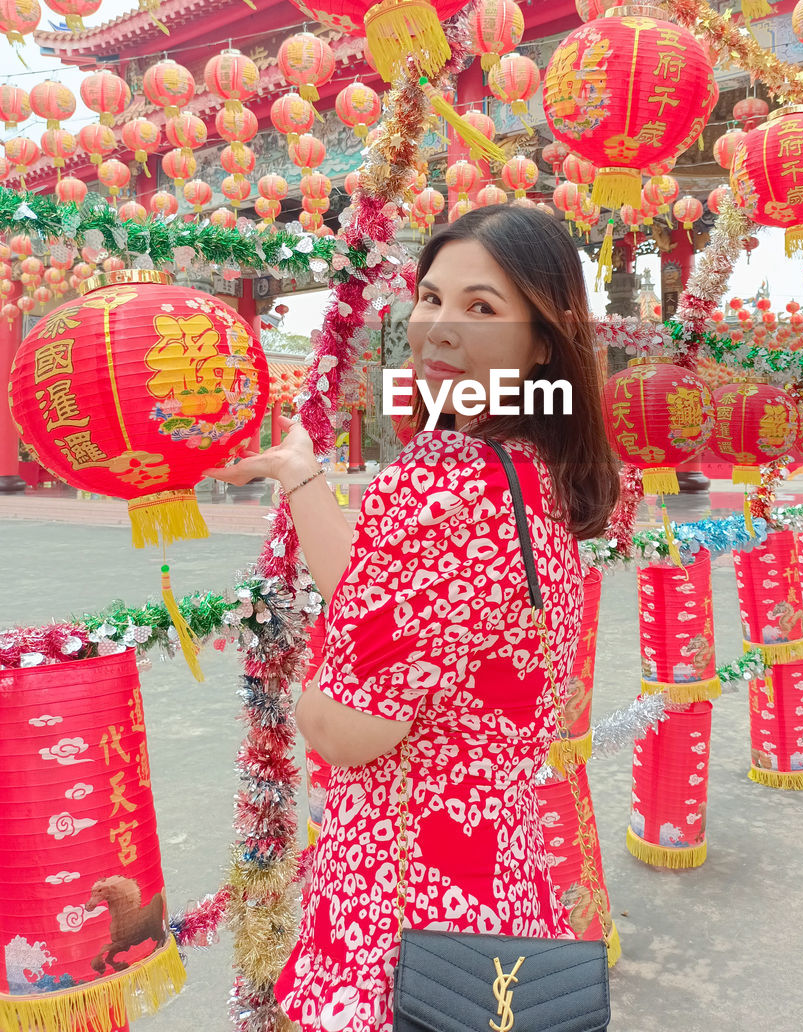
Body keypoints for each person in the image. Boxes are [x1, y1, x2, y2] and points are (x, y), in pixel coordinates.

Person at [204, 204, 620, 1031]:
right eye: (429, 297)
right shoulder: (538, 472)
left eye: (481, 308)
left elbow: (348, 730)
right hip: (497, 869)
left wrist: (310, 696)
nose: (436, 327)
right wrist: (302, 477)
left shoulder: (437, 485)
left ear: (544, 341)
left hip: (397, 889)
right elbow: (389, 603)